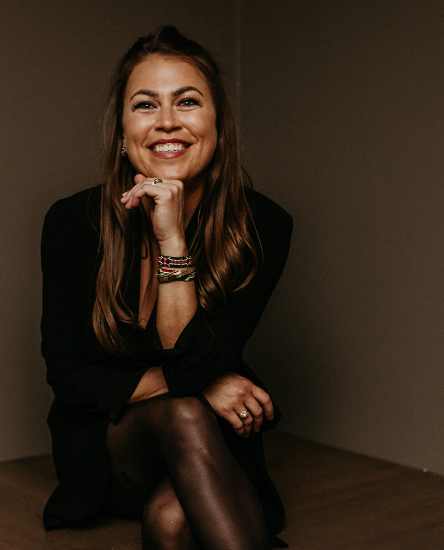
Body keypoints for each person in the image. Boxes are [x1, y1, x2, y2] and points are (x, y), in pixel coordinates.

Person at [40, 26, 293, 550]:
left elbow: (195, 361)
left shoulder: (263, 225)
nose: (168, 122)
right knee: (185, 408)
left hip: (209, 446)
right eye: (145, 105)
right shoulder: (71, 222)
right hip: (111, 449)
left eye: (187, 101)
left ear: (217, 125)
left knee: (172, 521)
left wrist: (172, 239)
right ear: (122, 131)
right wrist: (202, 384)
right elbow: (73, 381)